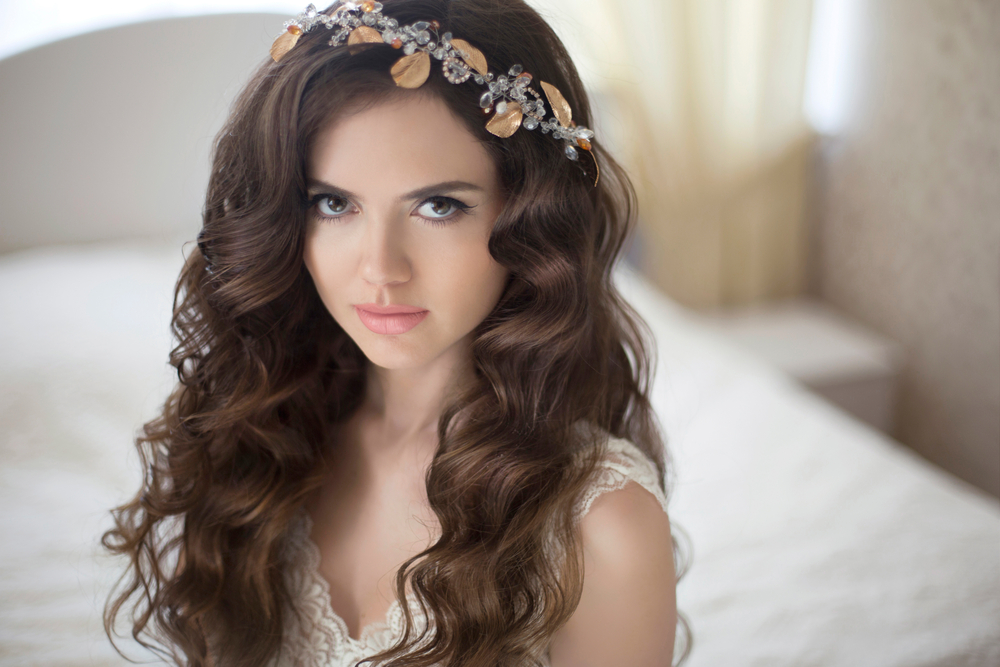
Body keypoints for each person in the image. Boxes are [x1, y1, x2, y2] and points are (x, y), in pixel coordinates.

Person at [102, 0, 691, 665]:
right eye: (334, 203)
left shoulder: (601, 525)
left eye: (438, 206)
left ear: (531, 221)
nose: (381, 269)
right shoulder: (256, 438)